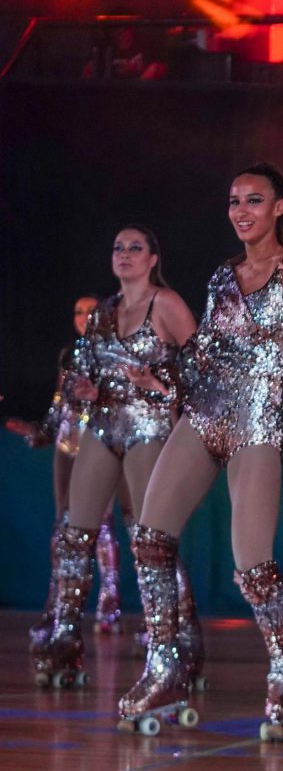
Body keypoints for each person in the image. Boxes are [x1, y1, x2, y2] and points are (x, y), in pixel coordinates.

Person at [117, 163, 283, 741]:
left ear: (277, 207)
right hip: (203, 414)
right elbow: (203, 354)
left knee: (253, 566)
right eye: (234, 201)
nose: (241, 210)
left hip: (255, 425)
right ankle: (166, 669)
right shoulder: (224, 275)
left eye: (253, 200)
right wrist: (162, 378)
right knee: (150, 537)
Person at [31, 228, 197, 690]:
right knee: (73, 533)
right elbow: (83, 371)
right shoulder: (103, 312)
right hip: (104, 425)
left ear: (153, 259)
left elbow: (202, 367)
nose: (124, 254)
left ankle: (175, 642)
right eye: (118, 248)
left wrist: (159, 384)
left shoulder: (166, 304)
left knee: (151, 539)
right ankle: (66, 636)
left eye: (134, 248)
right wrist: (85, 390)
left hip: (150, 428)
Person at [7, 295, 134, 642]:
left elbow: (125, 401)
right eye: (78, 311)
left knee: (101, 526)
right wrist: (40, 431)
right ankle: (57, 610)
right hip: (67, 444)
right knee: (62, 527)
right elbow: (59, 403)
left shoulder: (115, 351)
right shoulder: (69, 354)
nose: (84, 317)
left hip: (101, 442)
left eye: (91, 311)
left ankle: (109, 605)